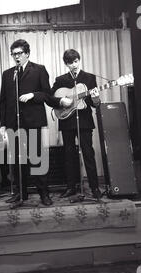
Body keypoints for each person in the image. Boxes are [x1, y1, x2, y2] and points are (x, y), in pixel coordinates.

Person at [0, 39, 71, 206]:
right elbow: (3, 101)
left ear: (27, 54)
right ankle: (21, 194)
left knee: (37, 160)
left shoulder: (39, 70)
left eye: (19, 53)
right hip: (14, 123)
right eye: (13, 54)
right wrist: (3, 124)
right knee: (18, 161)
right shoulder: (8, 74)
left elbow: (47, 95)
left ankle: (44, 194)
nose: (16, 57)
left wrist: (33, 95)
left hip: (33, 122)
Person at [51, 49, 102, 199]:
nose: (73, 65)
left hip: (85, 121)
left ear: (79, 60)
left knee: (88, 154)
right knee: (69, 155)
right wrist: (61, 100)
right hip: (67, 120)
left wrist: (96, 98)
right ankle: (70, 187)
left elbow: (95, 105)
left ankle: (94, 188)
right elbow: (51, 98)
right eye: (70, 63)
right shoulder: (60, 80)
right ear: (66, 64)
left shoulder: (90, 78)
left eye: (75, 61)